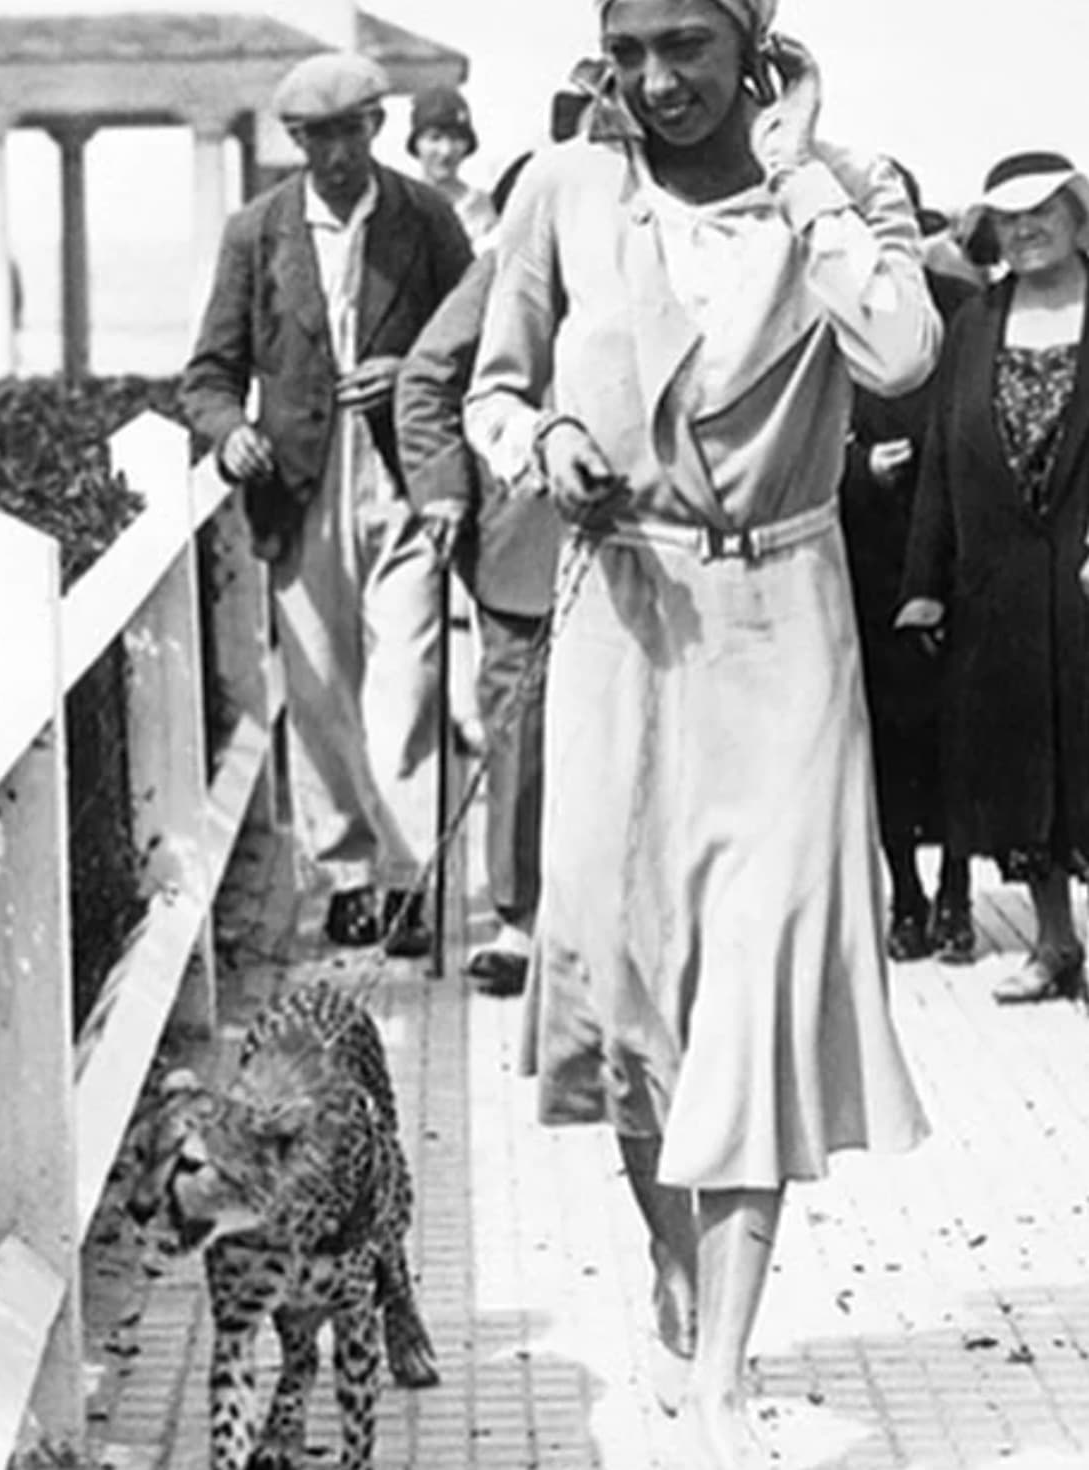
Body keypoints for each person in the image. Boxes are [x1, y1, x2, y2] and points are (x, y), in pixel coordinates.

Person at [464, 1, 935, 1462]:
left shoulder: (850, 190)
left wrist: (800, 181)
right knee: (624, 987)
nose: (659, 80)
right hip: (624, 619)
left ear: (757, 48)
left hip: (786, 626)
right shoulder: (566, 192)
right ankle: (673, 1269)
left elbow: (905, 352)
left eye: (691, 44)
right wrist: (541, 444)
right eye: (633, 47)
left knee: (756, 986)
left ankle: (720, 1376)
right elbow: (489, 386)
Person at [181, 52, 472, 956]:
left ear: (378, 128)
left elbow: (480, 339)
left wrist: (411, 371)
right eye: (318, 136)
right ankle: (345, 876)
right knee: (318, 689)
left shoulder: (426, 220)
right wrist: (231, 433)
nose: (337, 153)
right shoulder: (256, 234)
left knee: (408, 685)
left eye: (352, 130)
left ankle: (405, 881)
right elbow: (209, 375)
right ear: (295, 140)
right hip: (299, 490)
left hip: (403, 481)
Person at [899, 150, 1089, 1006]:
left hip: (1085, 574)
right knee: (1021, 765)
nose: (1028, 228)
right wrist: (925, 581)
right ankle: (1055, 943)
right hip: (1001, 583)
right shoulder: (977, 322)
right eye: (1010, 217)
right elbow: (942, 454)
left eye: (1044, 209)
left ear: (1078, 214)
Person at [397, 152, 559, 999]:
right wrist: (446, 491)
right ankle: (518, 918)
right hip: (526, 545)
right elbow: (425, 380)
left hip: (649, 539)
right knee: (521, 737)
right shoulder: (501, 267)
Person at [839, 162, 977, 964]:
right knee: (888, 739)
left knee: (960, 736)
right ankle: (908, 897)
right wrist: (861, 471)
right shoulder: (826, 317)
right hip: (867, 557)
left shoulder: (960, 311)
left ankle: (960, 894)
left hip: (959, 558)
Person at [406, 86, 498, 249]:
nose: (446, 151)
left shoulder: (480, 207)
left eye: (455, 139)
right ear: (417, 144)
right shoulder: (401, 202)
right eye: (434, 138)